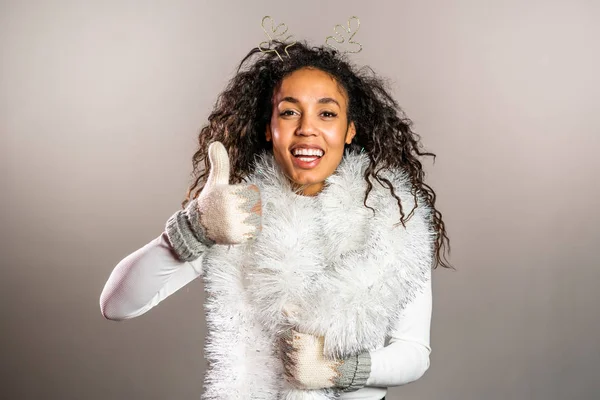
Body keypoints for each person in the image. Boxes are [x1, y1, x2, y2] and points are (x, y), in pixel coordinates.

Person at [100, 40, 451, 400]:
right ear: (269, 128)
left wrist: (337, 370)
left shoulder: (397, 223)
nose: (307, 129)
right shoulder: (236, 212)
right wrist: (194, 228)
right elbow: (116, 305)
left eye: (327, 114)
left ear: (350, 131)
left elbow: (414, 353)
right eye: (289, 112)